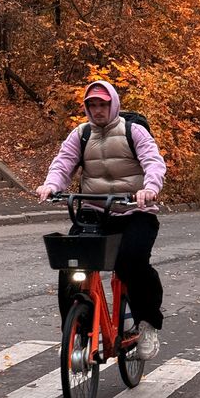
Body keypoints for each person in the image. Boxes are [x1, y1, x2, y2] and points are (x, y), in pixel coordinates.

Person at [36, 80, 166, 360]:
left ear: (113, 104)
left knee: (132, 262)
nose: (97, 110)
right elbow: (63, 163)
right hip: (94, 213)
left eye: (102, 104)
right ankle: (78, 333)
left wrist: (150, 189)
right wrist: (51, 185)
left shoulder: (134, 132)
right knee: (70, 266)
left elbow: (153, 162)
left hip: (135, 213)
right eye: (92, 105)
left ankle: (148, 324)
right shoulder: (81, 135)